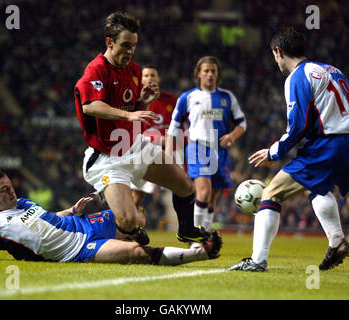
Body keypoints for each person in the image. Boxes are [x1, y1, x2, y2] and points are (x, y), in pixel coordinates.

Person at [228, 27, 349, 272]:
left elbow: (298, 126)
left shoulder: (296, 76)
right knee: (317, 188)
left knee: (271, 192)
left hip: (330, 144)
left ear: (278, 51)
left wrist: (273, 151)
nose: (275, 61)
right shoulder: (333, 70)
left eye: (274, 56)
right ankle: (337, 242)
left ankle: (257, 261)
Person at [74, 12, 212, 246]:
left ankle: (187, 230)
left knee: (185, 186)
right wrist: (130, 113)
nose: (130, 51)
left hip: (135, 147)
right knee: (128, 219)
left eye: (134, 46)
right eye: (125, 45)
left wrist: (144, 103)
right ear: (110, 42)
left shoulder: (134, 71)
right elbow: (91, 106)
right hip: (107, 158)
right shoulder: (96, 70)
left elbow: (132, 110)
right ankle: (129, 232)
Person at [0, 170, 222, 265]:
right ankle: (200, 253)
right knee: (136, 252)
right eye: (4, 190)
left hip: (81, 223)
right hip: (79, 248)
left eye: (10, 184)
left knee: (134, 215)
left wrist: (72, 211)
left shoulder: (25, 202)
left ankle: (131, 229)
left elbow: (46, 217)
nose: (11, 190)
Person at [166, 56, 247, 240]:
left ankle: (205, 235)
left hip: (220, 151)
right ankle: (192, 234)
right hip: (197, 147)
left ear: (217, 74)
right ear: (199, 74)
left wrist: (232, 136)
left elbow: (242, 123)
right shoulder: (188, 97)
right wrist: (169, 153)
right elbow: (174, 127)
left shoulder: (227, 98)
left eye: (213, 71)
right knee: (203, 192)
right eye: (206, 71)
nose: (210, 74)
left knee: (213, 197)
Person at [131, 65, 178, 209]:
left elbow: (178, 126)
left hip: (169, 151)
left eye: (153, 75)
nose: (150, 78)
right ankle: (127, 226)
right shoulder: (135, 101)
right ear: (140, 79)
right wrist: (157, 139)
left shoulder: (170, 100)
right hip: (143, 151)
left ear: (158, 79)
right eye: (146, 75)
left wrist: (172, 143)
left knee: (182, 187)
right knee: (137, 195)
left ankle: (186, 226)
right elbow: (132, 129)